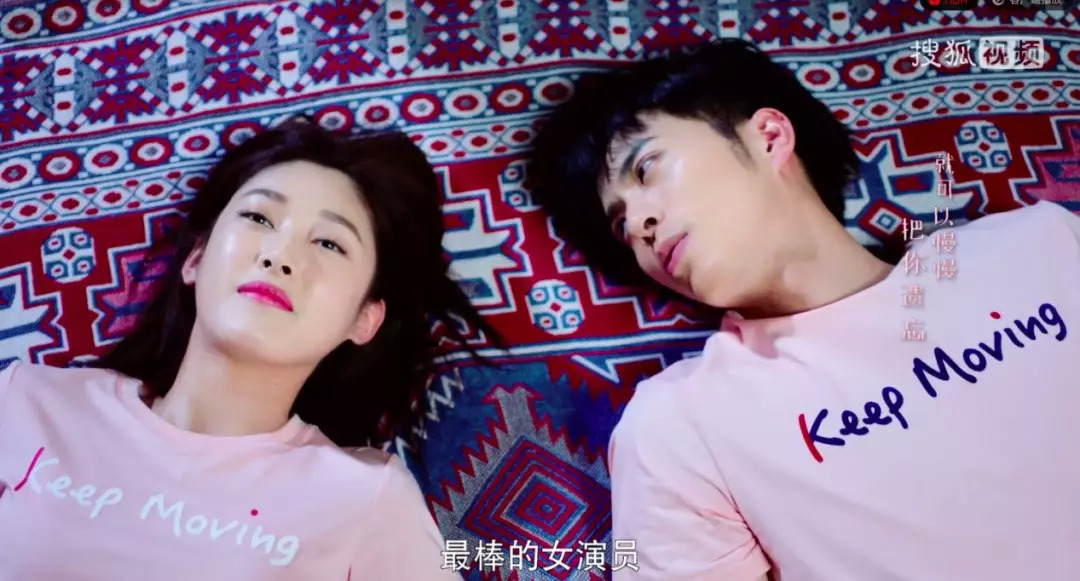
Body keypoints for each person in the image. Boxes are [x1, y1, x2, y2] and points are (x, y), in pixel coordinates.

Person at [528, 40, 1080, 581]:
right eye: (621, 225)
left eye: (647, 169)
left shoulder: (1038, 244)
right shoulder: (679, 425)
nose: (639, 225)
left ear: (769, 136)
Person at [0, 118, 497, 579]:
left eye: (329, 244)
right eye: (259, 217)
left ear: (364, 319)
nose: (279, 255)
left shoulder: (367, 499)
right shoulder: (27, 399)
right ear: (196, 259)